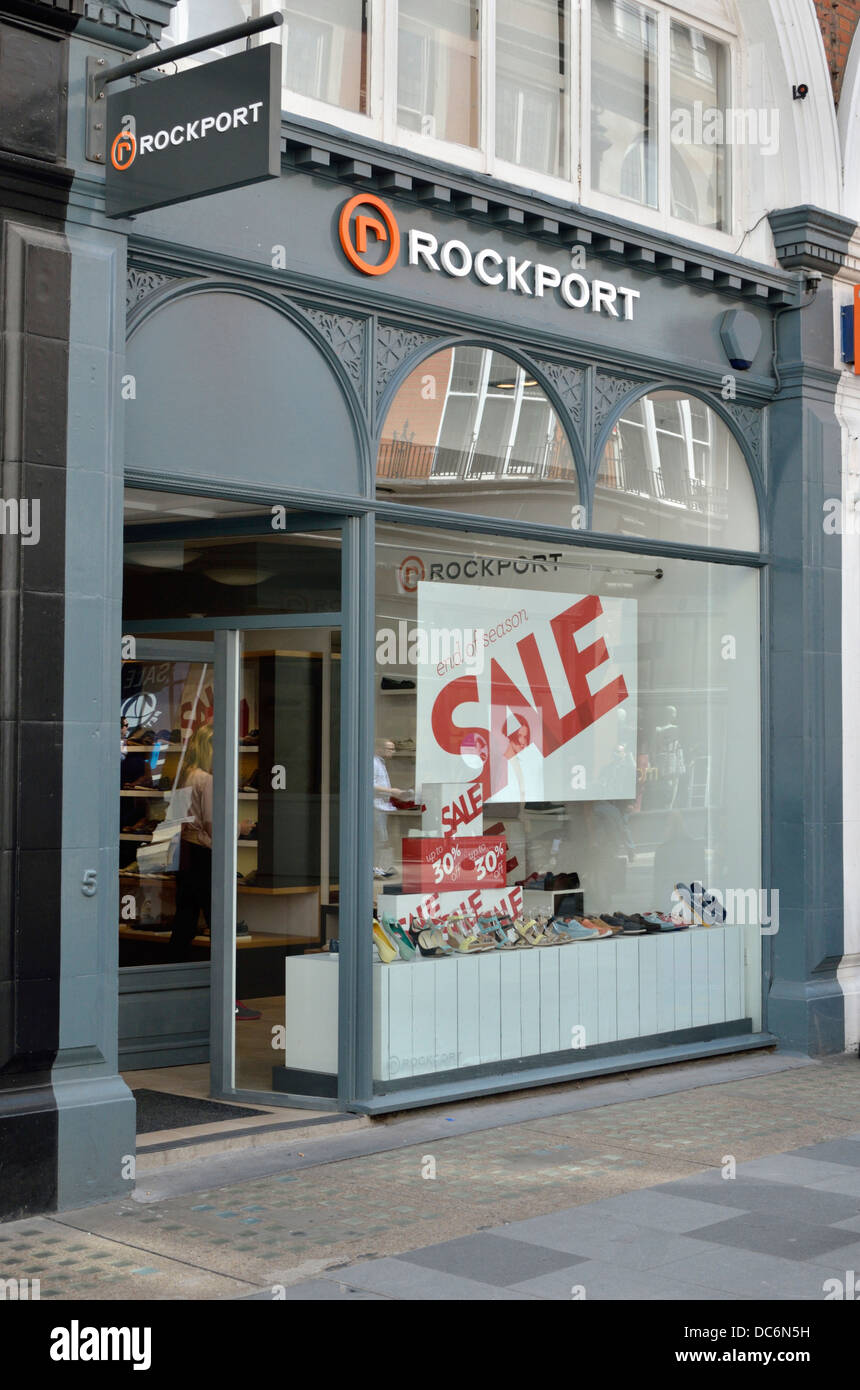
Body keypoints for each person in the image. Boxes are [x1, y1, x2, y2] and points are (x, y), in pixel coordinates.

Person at [169, 724, 260, 1021]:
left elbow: (182, 820)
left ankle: (175, 992)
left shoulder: (187, 776)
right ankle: (227, 999)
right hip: (205, 856)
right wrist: (241, 827)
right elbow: (212, 826)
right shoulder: (207, 780)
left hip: (186, 853)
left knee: (184, 925)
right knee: (220, 927)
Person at [373, 737, 405, 877]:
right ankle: (377, 868)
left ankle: (381, 867)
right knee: (380, 838)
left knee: (383, 838)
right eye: (390, 749)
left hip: (383, 806)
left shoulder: (380, 763)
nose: (393, 752)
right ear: (379, 749)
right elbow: (370, 785)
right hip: (376, 807)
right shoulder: (373, 763)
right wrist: (392, 791)